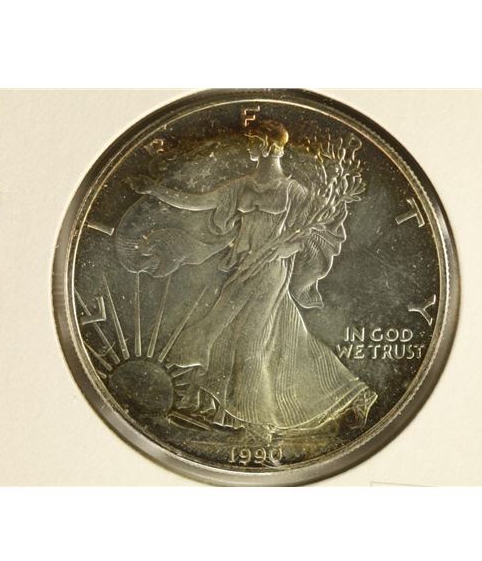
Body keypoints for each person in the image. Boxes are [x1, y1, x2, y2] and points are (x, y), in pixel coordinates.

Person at [118, 120, 377, 433]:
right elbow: (200, 202)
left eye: (253, 140)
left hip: (269, 273)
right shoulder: (241, 186)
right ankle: (351, 394)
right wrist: (155, 189)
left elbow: (321, 234)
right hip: (242, 270)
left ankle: (260, 424)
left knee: (249, 343)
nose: (248, 145)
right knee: (271, 337)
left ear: (268, 146)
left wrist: (288, 246)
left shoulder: (293, 192)